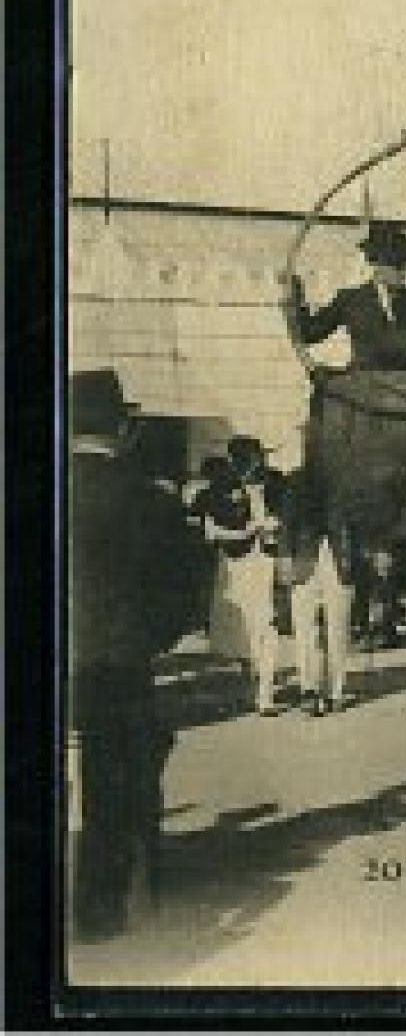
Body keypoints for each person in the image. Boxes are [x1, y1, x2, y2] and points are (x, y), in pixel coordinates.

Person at [67, 369, 208, 941]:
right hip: (117, 659)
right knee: (116, 778)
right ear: (123, 429)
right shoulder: (145, 498)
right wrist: (153, 638)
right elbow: (186, 585)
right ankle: (108, 906)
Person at [290, 221, 406, 373]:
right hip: (365, 385)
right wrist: (295, 298)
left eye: (404, 267)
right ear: (378, 266)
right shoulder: (350, 299)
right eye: (396, 267)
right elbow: (309, 333)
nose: (402, 273)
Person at [191, 440, 283, 715]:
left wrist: (274, 526)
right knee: (243, 627)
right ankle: (252, 683)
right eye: (248, 461)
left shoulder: (276, 484)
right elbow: (209, 530)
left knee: (267, 623)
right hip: (236, 564)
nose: (255, 466)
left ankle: (265, 693)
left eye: (258, 460)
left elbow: (288, 516)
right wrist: (245, 532)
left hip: (266, 560)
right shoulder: (217, 490)